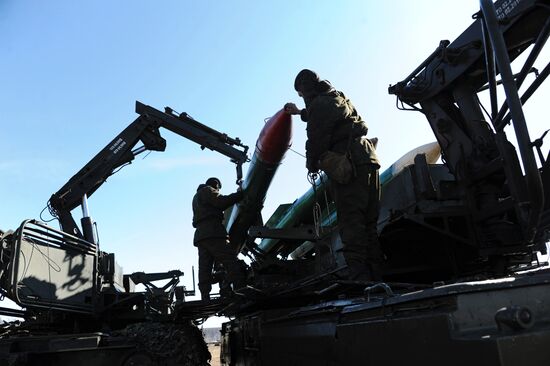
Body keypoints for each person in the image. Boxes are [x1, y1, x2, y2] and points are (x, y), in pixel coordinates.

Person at [284, 69, 383, 281]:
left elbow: (316, 137)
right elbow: (326, 116)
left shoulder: (320, 104)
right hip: (368, 158)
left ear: (306, 88)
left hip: (349, 163)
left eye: (301, 92)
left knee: (351, 220)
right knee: (369, 222)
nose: (301, 96)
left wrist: (311, 163)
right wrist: (299, 112)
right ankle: (377, 274)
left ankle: (360, 279)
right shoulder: (337, 97)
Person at [192, 177, 246, 300]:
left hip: (201, 235)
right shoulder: (208, 190)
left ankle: (205, 297)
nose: (217, 190)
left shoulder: (196, 197)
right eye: (218, 188)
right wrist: (239, 195)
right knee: (230, 261)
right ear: (216, 185)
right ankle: (242, 290)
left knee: (205, 267)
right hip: (213, 232)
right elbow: (221, 202)